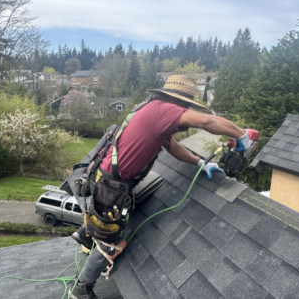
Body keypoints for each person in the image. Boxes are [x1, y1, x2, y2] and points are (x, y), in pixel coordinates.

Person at [69, 75, 251, 299]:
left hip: (108, 180)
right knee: (109, 243)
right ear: (179, 102)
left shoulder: (150, 108)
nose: (185, 110)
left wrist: (200, 162)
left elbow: (172, 147)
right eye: (186, 106)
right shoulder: (165, 110)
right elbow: (206, 122)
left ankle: (86, 234)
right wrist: (242, 135)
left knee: (151, 184)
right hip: (112, 187)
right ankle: (82, 288)